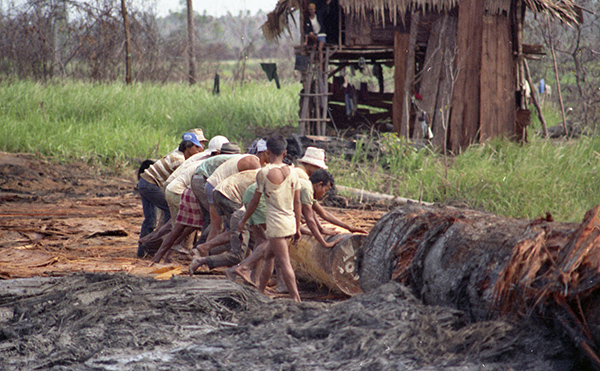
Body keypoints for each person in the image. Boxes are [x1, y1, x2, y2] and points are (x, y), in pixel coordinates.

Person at [235, 135, 302, 302]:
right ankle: (260, 291)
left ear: (268, 151)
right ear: (285, 152)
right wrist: (298, 227)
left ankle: (296, 299)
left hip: (275, 225)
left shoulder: (264, 173)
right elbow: (298, 202)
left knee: (284, 262)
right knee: (269, 257)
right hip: (289, 221)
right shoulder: (293, 173)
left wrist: (244, 220)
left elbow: (255, 201)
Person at [137, 132, 203, 257]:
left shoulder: (177, 154)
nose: (198, 151)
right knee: (171, 212)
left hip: (144, 182)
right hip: (151, 184)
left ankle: (143, 251)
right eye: (196, 147)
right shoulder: (179, 161)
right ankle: (160, 244)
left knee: (150, 220)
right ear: (188, 148)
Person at [303, 2, 326, 67]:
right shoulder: (308, 20)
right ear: (309, 11)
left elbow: (324, 8)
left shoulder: (318, 15)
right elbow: (307, 32)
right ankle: (315, 42)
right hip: (315, 35)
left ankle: (321, 65)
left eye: (313, 9)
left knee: (319, 49)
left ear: (315, 10)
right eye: (310, 9)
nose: (312, 11)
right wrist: (306, 42)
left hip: (321, 34)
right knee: (310, 33)